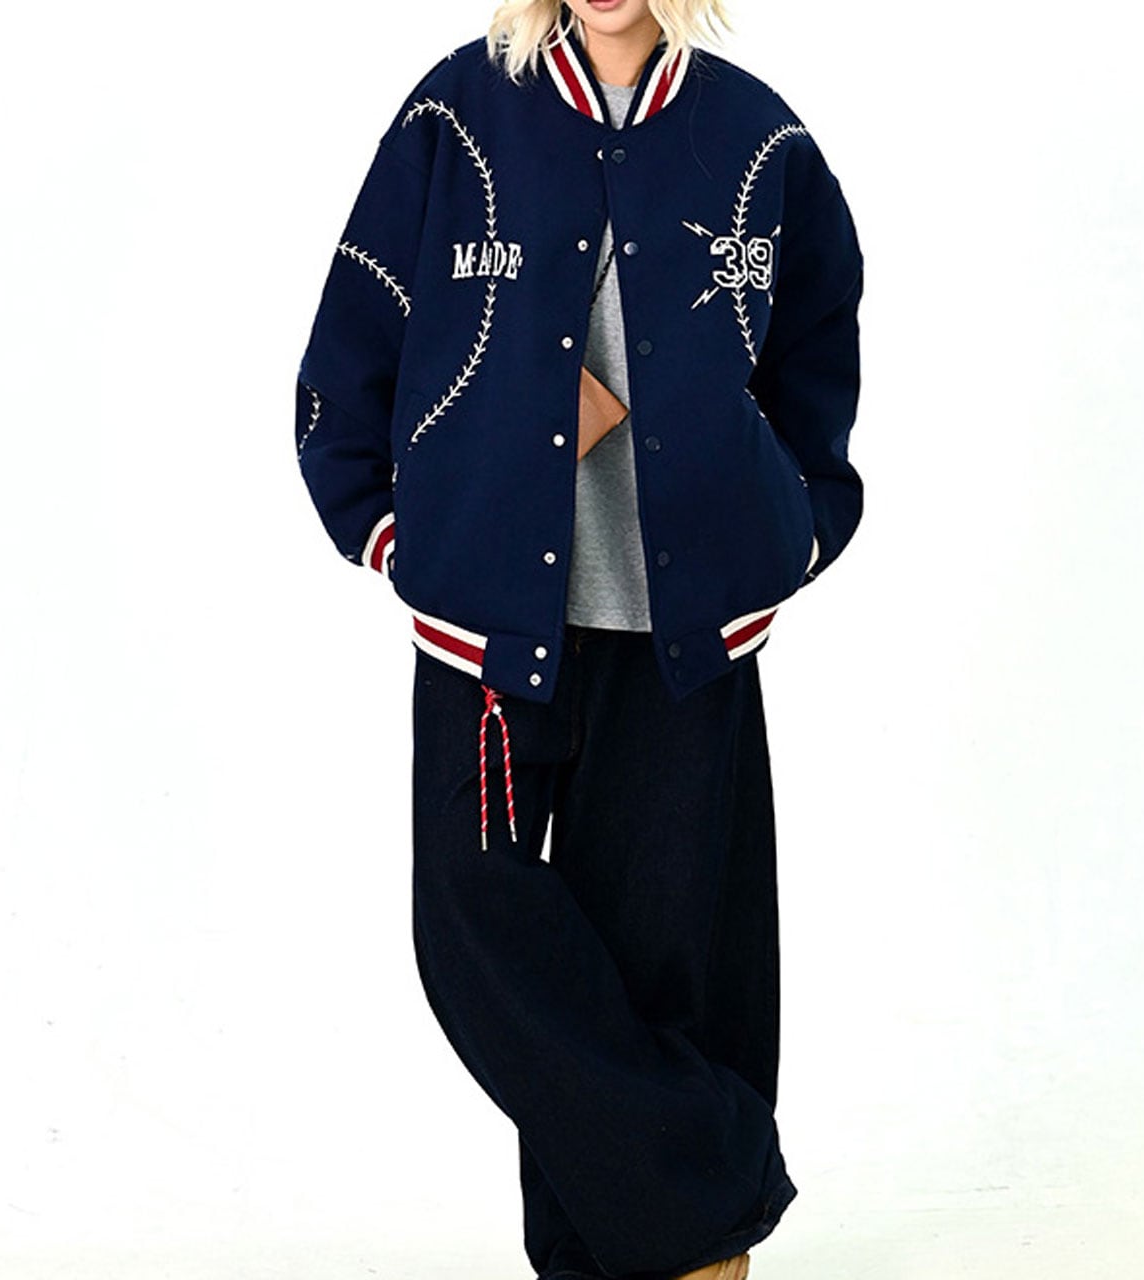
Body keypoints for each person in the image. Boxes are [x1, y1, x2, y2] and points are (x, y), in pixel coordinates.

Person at [293, 2, 864, 1277]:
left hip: (682, 634)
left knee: (655, 956)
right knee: (474, 928)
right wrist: (393, 531)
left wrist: (788, 530)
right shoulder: (456, 115)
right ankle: (710, 1196)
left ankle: (616, 1258)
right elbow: (356, 333)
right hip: (492, 622)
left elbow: (814, 361)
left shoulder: (757, 140)